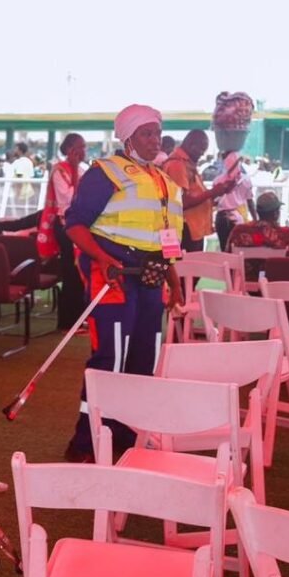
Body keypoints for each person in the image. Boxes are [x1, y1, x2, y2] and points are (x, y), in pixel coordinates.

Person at [63, 104, 184, 463]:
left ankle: (126, 433)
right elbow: (75, 224)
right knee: (110, 358)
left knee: (144, 360)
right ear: (127, 138)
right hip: (113, 277)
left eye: (157, 133)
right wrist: (101, 258)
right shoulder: (105, 172)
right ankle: (85, 441)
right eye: (146, 133)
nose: (155, 140)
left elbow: (166, 236)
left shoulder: (163, 180)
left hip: (152, 279)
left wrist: (174, 279)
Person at [41, 133, 88, 330]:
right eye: (80, 147)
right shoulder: (59, 170)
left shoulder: (84, 170)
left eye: (84, 147)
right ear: (70, 149)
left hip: (81, 225)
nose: (84, 151)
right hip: (65, 225)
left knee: (80, 272)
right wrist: (75, 170)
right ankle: (68, 321)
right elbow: (68, 199)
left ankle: (79, 317)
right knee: (70, 272)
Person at [162, 130, 235, 252]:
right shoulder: (177, 165)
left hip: (190, 230)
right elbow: (182, 202)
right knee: (185, 264)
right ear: (191, 144)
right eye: (201, 149)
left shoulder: (186, 163)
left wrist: (217, 194)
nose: (202, 154)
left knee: (191, 263)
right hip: (183, 229)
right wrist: (212, 192)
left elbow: (195, 196)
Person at [226, 191, 289, 281]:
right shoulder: (287, 235)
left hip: (243, 284)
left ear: (257, 212)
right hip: (276, 284)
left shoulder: (239, 231)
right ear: (276, 213)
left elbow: (228, 257)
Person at [213, 151, 256, 251]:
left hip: (221, 217)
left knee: (224, 249)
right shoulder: (246, 180)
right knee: (239, 249)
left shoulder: (218, 180)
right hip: (239, 217)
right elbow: (250, 202)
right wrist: (255, 219)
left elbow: (214, 201)